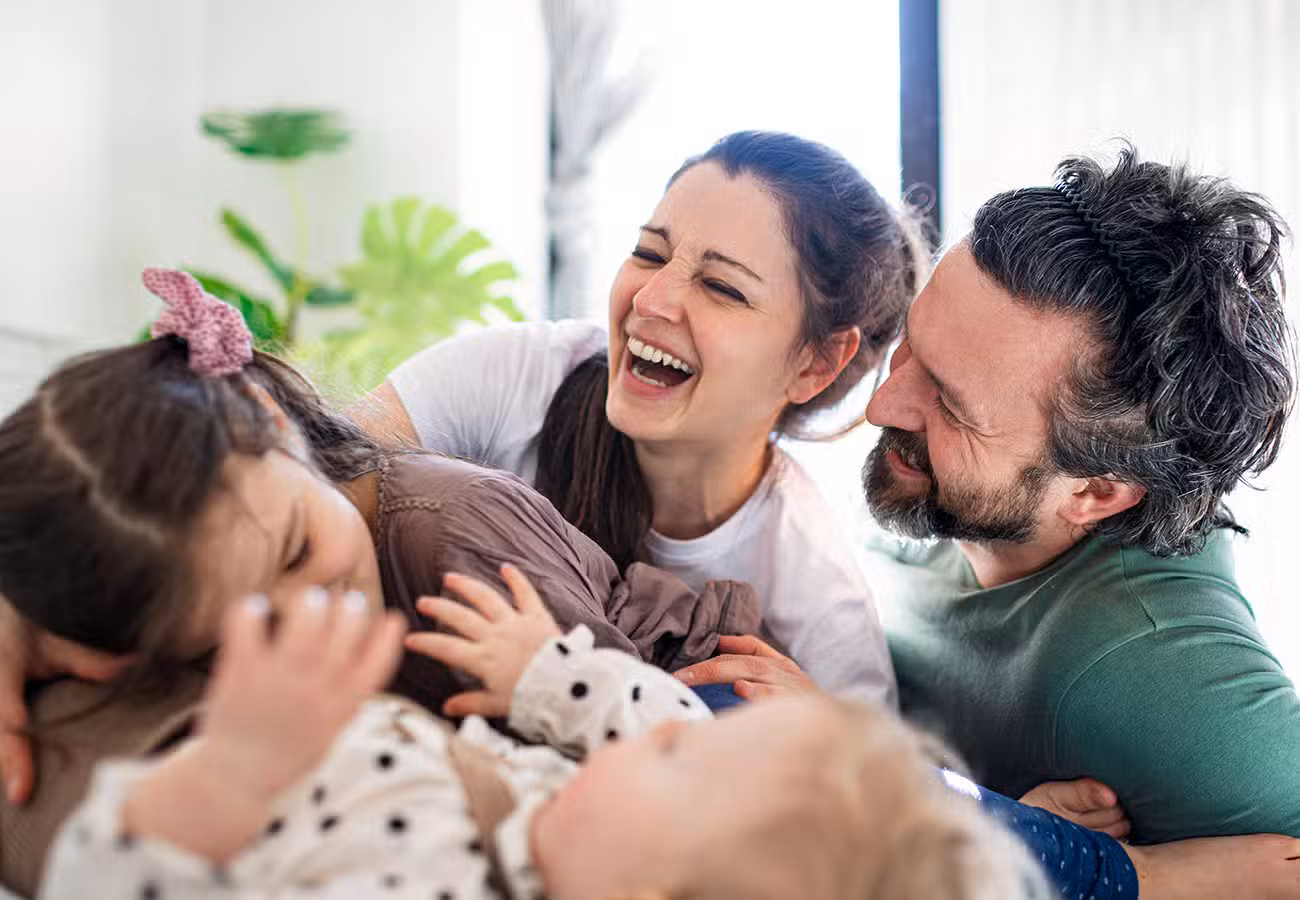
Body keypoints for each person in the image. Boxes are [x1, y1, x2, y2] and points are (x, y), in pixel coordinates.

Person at [0, 269, 758, 894]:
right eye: (248, 625)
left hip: (687, 682)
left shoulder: (459, 543)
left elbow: (671, 747)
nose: (312, 614)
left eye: (297, 551)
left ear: (271, 417)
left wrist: (544, 672)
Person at [686, 146, 1300, 854]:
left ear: (1096, 491)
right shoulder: (936, 489)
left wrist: (1068, 871)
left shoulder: (1158, 675)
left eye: (951, 406)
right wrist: (997, 825)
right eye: (912, 346)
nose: (885, 404)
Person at [38, 569, 1049, 900]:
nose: (650, 733)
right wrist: (546, 673)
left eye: (670, 763)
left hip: (187, 785)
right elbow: (664, 713)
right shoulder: (603, 835)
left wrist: (226, 778)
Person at [354, 130, 922, 709]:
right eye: (649, 253)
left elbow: (876, 786)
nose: (650, 300)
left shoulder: (819, 605)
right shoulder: (524, 374)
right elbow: (323, 469)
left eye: (722, 287)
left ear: (816, 362)